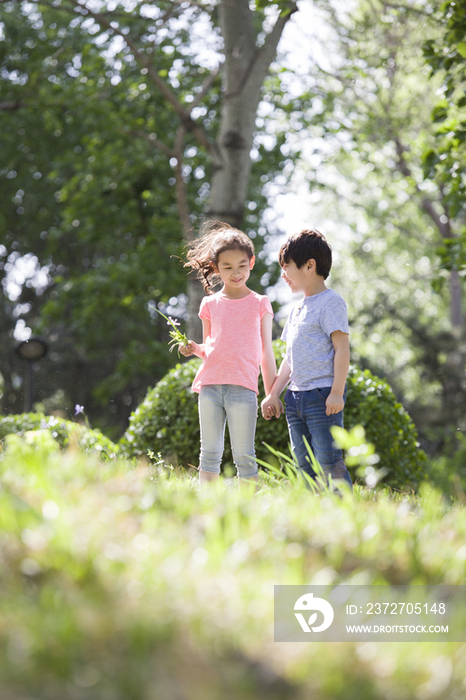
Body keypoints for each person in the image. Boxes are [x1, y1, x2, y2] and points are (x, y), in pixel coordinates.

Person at [180, 221, 276, 487]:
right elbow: (209, 347)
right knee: (209, 454)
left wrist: (271, 393)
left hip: (243, 389)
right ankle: (207, 506)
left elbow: (266, 352)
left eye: (241, 266)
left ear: (252, 263)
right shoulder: (209, 303)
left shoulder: (260, 303)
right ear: (216, 268)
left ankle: (248, 509)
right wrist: (192, 348)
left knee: (244, 456)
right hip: (210, 387)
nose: (236, 273)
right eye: (228, 267)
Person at [261, 228, 353, 491]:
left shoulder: (331, 302)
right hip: (295, 399)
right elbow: (289, 359)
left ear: (309, 265)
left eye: (287, 266)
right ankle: (316, 513)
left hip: (322, 397)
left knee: (328, 462)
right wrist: (274, 393)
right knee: (304, 464)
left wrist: (337, 392)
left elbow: (342, 349)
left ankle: (343, 512)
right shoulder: (296, 309)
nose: (283, 274)